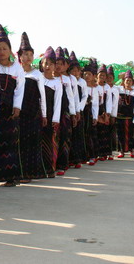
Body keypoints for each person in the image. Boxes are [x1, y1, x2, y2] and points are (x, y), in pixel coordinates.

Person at [0, 23, 25, 187]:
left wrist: (17, 107)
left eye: (4, 48)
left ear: (10, 50)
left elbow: (19, 89)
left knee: (10, 142)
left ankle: (11, 177)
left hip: (10, 111)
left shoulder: (17, 68)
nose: (1, 52)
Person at [18, 33, 47, 181]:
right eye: (25, 54)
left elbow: (42, 96)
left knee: (32, 143)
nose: (28, 57)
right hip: (19, 112)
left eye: (30, 54)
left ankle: (30, 173)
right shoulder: (15, 71)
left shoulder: (37, 74)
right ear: (20, 56)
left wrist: (44, 115)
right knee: (20, 142)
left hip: (33, 113)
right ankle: (19, 173)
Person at [54, 47, 76, 175]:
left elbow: (71, 97)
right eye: (56, 63)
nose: (58, 66)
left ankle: (62, 164)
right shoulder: (46, 77)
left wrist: (73, 113)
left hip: (64, 111)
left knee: (64, 137)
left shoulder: (67, 80)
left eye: (61, 64)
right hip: (52, 111)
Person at [40, 47, 62, 178]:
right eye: (46, 63)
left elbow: (58, 102)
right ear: (41, 64)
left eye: (51, 64)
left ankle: (49, 168)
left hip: (50, 114)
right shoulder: (38, 77)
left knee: (48, 141)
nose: (48, 66)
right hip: (38, 114)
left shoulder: (57, 83)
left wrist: (55, 119)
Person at [68, 52, 87, 168]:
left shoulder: (82, 82)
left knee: (78, 135)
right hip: (70, 109)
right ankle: (69, 159)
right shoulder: (67, 80)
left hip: (79, 109)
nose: (75, 73)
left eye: (77, 71)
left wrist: (79, 108)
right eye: (73, 70)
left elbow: (84, 96)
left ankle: (78, 159)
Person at [116, 70, 134, 158]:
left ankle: (132, 150)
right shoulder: (119, 89)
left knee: (131, 133)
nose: (128, 82)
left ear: (132, 82)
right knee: (120, 133)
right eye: (126, 80)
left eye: (130, 80)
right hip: (120, 114)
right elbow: (111, 86)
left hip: (130, 115)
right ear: (124, 81)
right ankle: (121, 151)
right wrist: (121, 77)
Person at [82, 59, 99, 165]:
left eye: (89, 74)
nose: (87, 76)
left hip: (88, 113)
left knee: (89, 135)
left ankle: (92, 156)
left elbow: (96, 104)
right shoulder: (80, 85)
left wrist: (95, 116)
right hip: (80, 111)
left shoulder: (95, 89)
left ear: (93, 76)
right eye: (85, 74)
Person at [96, 63, 113, 161]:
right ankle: (98, 153)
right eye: (100, 75)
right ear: (97, 75)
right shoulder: (94, 86)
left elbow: (109, 100)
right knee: (97, 132)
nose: (102, 77)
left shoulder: (107, 87)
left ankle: (105, 153)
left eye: (104, 75)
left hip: (105, 111)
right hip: (96, 110)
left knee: (105, 133)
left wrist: (108, 113)